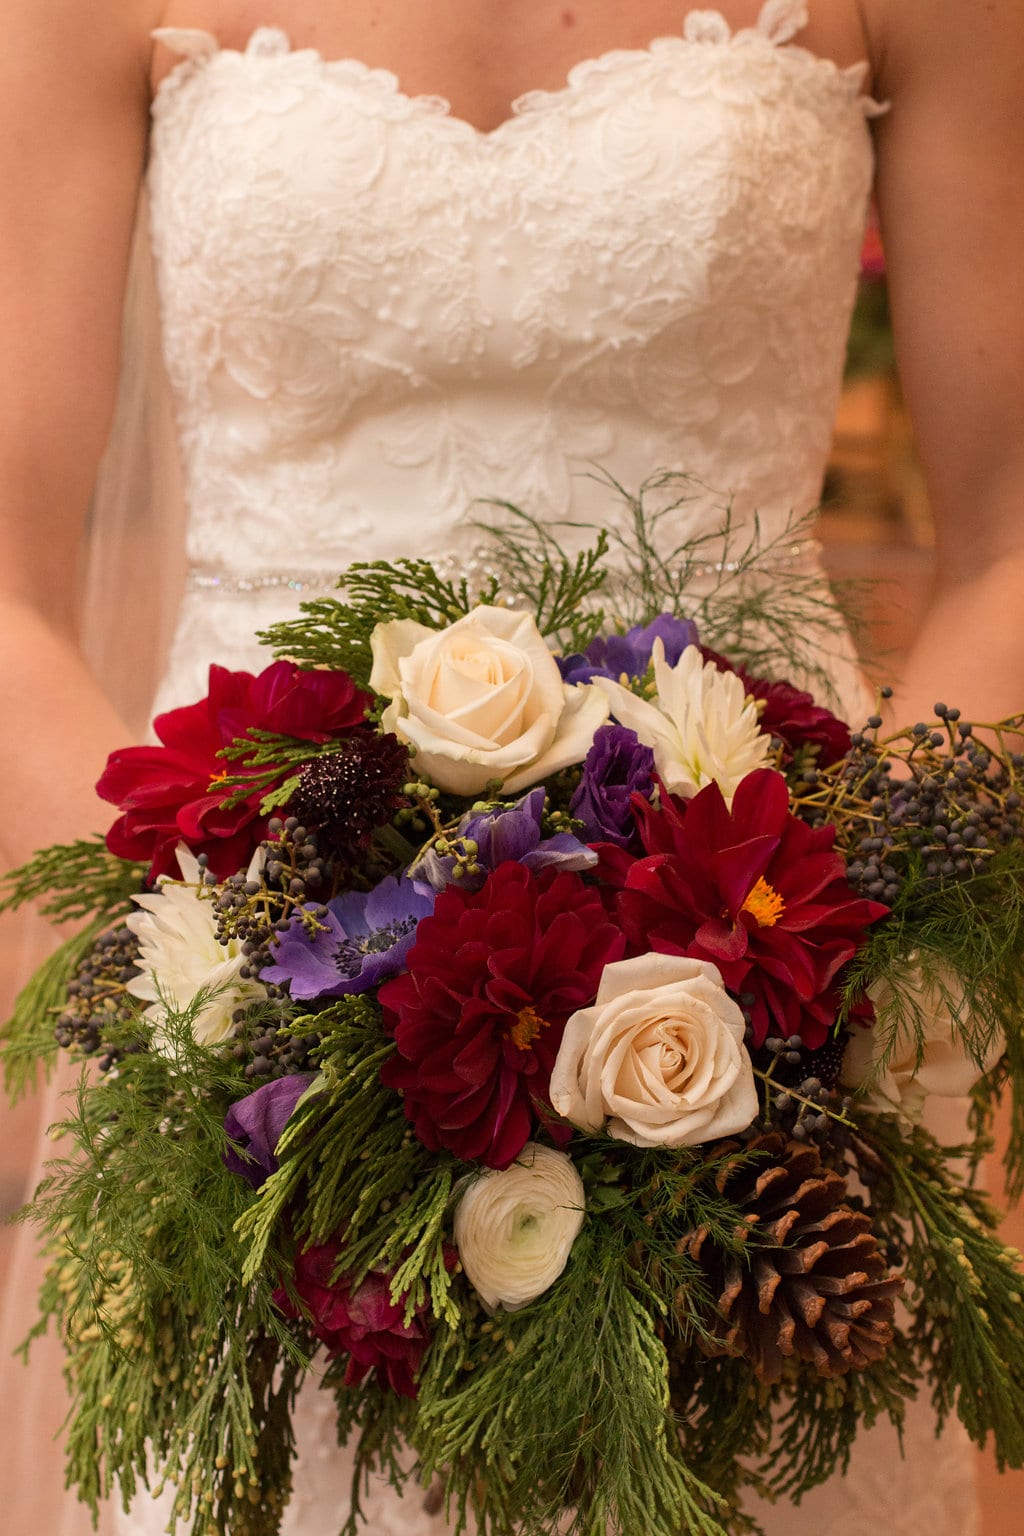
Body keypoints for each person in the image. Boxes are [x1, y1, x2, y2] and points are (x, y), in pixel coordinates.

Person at [1, 0, 1022, 1532]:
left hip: (783, 962)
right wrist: (223, 969)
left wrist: (834, 930)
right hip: (253, 974)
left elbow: (1013, 540)